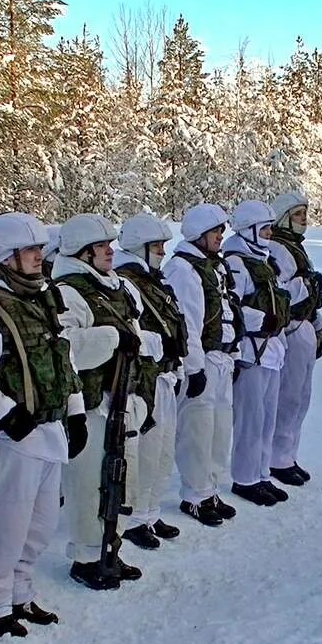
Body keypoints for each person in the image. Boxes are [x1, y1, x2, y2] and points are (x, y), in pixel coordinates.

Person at [0, 212, 82, 636]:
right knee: (2, 523)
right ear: (5, 257)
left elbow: (61, 361)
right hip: (9, 436)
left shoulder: (40, 298)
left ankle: (19, 591)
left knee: (38, 522)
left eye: (39, 250)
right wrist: (6, 414)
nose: (38, 258)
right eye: (29, 251)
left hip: (47, 429)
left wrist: (76, 409)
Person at [51, 214, 147, 588]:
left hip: (121, 397)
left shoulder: (117, 287)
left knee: (121, 477)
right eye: (101, 246)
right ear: (83, 252)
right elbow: (67, 348)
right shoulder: (68, 291)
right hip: (89, 402)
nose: (110, 251)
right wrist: (110, 338)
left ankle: (111, 546)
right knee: (90, 481)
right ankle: (87, 556)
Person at [162, 204, 240, 527]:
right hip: (203, 359)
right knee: (198, 429)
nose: (221, 237)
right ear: (198, 234)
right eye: (215, 231)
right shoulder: (183, 269)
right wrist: (194, 368)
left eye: (222, 231)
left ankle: (209, 488)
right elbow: (188, 323)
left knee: (220, 430)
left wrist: (233, 353)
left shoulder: (214, 266)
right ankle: (194, 494)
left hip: (221, 357)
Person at [113, 213, 187, 549]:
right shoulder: (127, 281)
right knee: (145, 451)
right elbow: (133, 331)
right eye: (156, 245)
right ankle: (135, 518)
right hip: (146, 378)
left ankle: (151, 511)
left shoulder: (153, 280)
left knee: (163, 450)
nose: (161, 251)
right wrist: (160, 346)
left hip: (165, 374)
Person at [222, 200, 290, 507]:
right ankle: (245, 477)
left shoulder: (263, 259)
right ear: (248, 230)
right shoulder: (237, 262)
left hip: (271, 350)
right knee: (250, 419)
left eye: (270, 228)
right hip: (251, 351)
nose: (270, 234)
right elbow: (231, 307)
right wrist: (261, 320)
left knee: (267, 418)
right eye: (264, 228)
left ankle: (262, 473)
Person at [266, 191, 322, 486]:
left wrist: (318, 326)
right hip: (289, 328)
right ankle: (277, 456)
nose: (304, 220)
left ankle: (288, 454)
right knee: (288, 396)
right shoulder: (278, 249)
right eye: (298, 214)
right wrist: (307, 285)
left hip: (304, 326)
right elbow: (284, 291)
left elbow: (312, 296)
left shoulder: (296, 248)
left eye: (305, 214)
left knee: (301, 395)